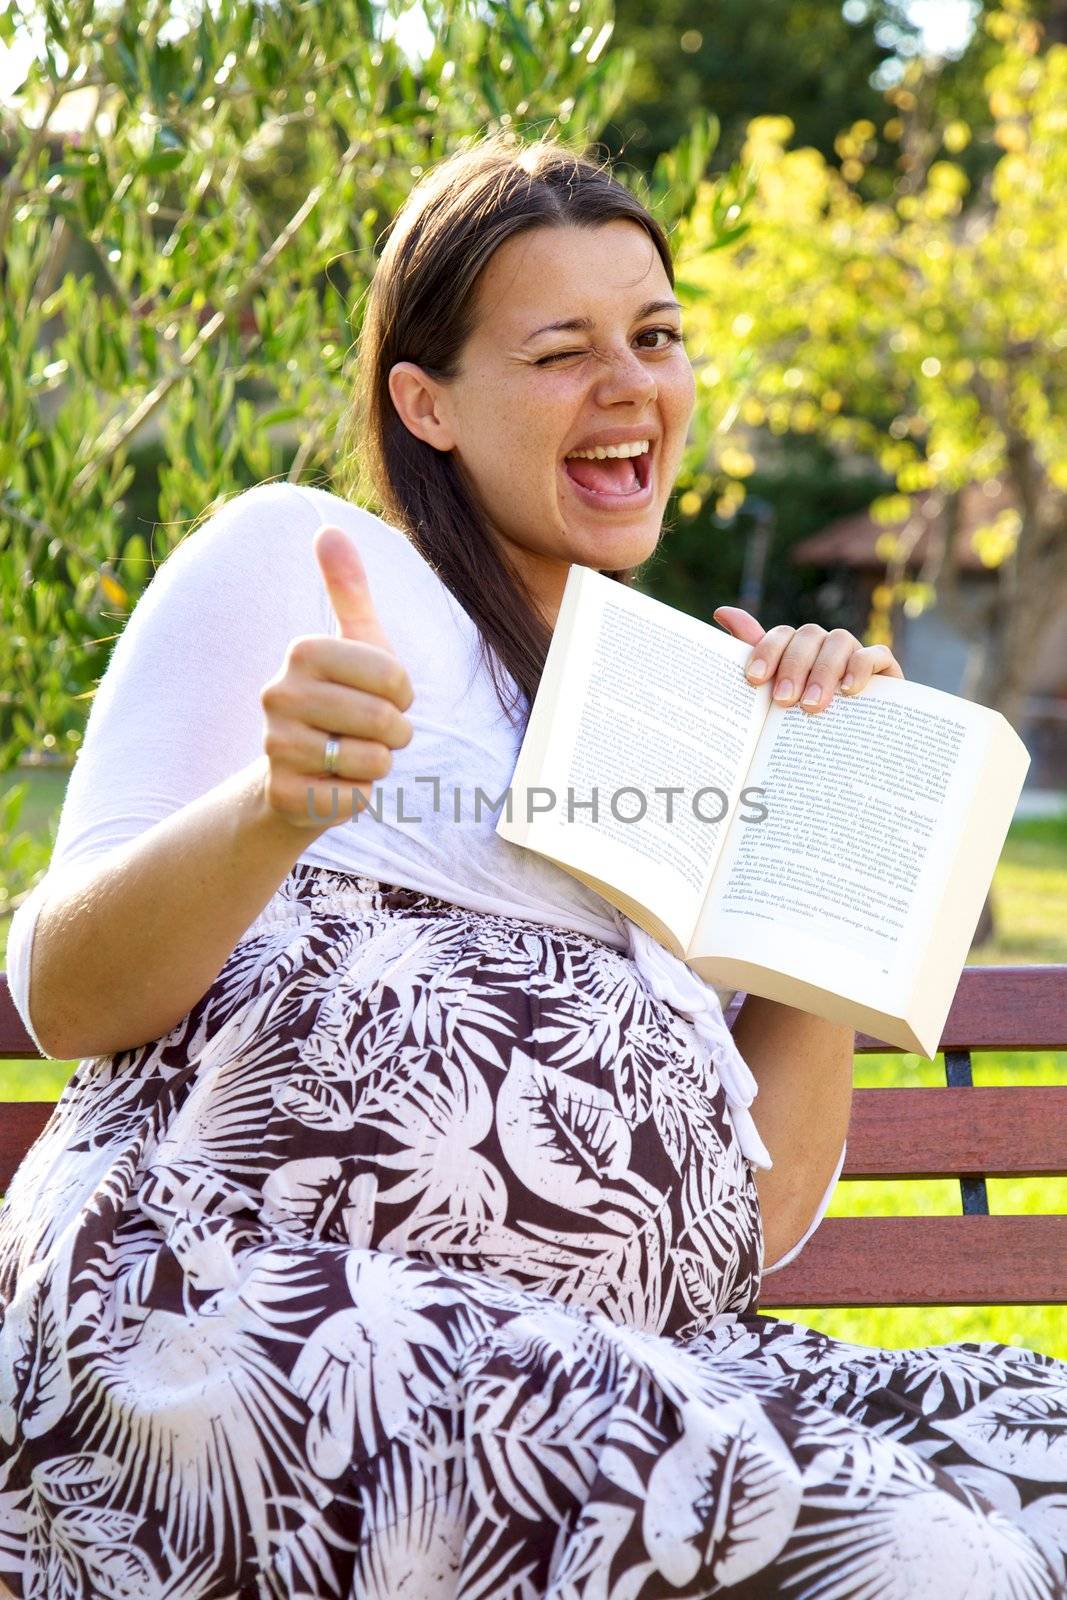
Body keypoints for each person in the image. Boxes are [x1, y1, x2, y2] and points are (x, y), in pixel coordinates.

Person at [0, 131, 1064, 1600]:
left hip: (638, 1365)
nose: (629, 384)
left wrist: (826, 822)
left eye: (657, 337)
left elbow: (759, 1220)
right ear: (424, 402)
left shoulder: (701, 697)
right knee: (913, 1557)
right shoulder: (303, 567)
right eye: (562, 350)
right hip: (237, 1327)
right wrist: (273, 806)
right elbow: (65, 995)